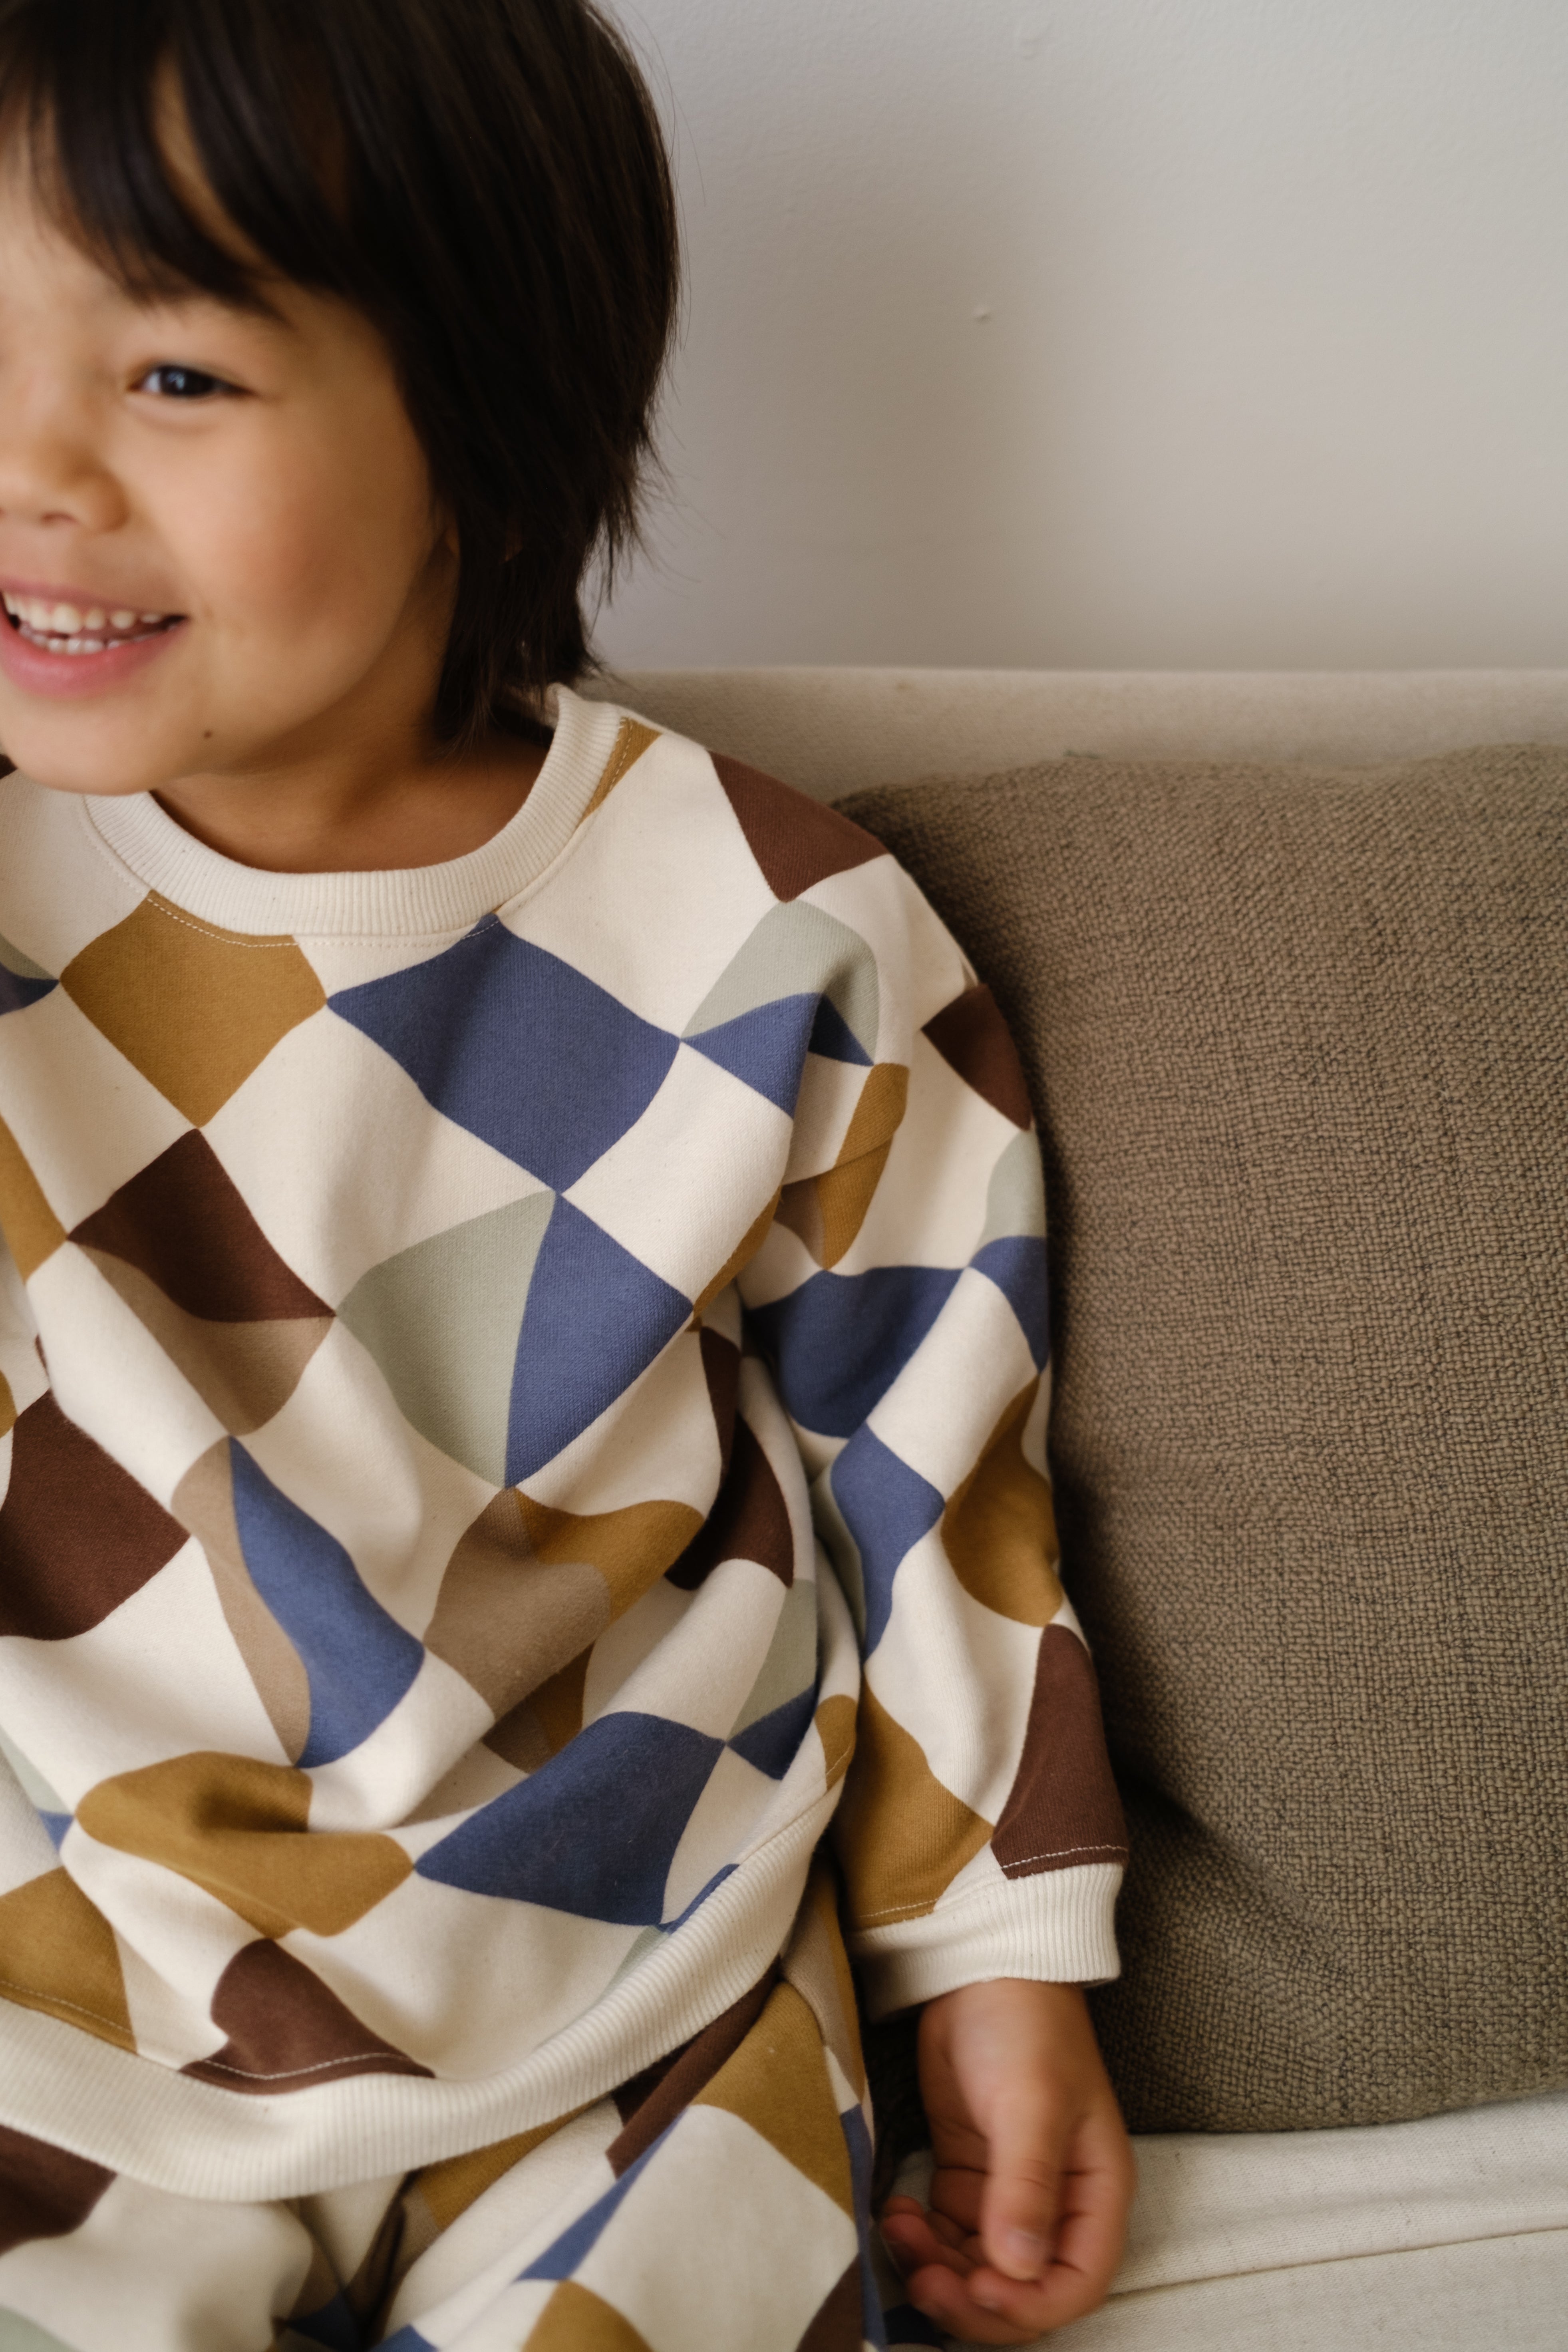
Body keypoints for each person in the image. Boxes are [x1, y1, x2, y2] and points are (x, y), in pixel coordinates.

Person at [0, 2, 1135, 2344]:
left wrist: (999, 1961)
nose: (32, 463)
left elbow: (942, 1459)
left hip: (649, 1980)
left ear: (488, 434)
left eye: (177, 374)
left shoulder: (779, 927)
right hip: (63, 1992)